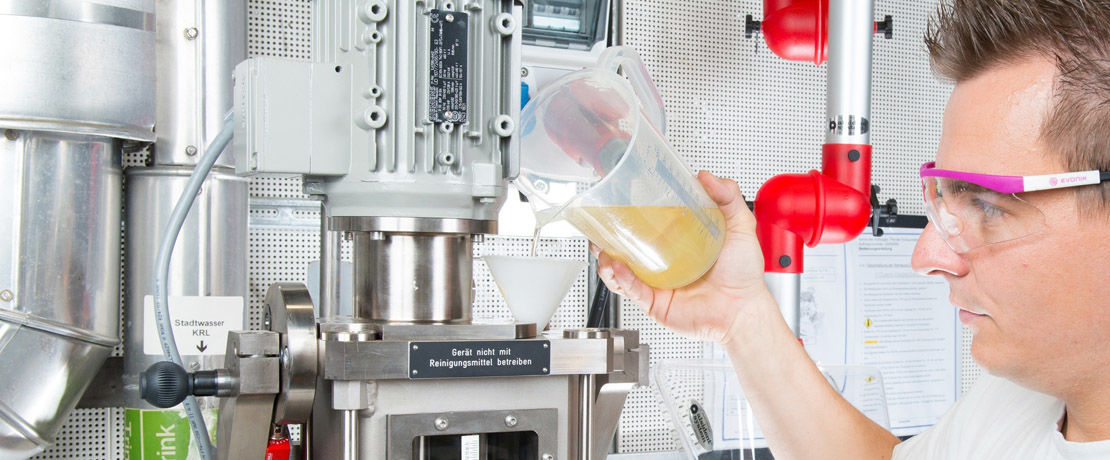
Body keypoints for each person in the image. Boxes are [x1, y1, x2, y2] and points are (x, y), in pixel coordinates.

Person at [594, 0, 1110, 458]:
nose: (927, 255)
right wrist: (742, 315)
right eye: (946, 198)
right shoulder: (1023, 399)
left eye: (991, 207)